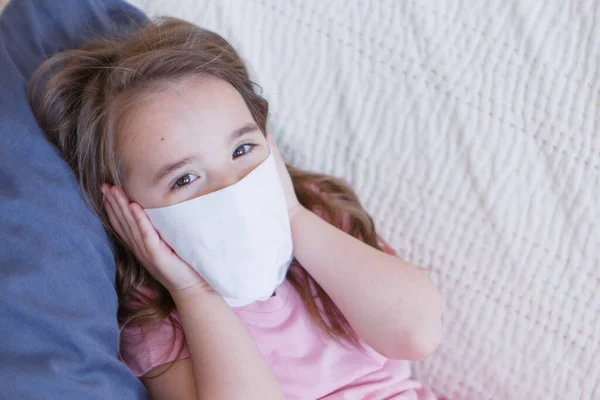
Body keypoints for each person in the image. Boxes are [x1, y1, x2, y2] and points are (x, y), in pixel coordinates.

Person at [29, 17, 443, 400]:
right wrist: (193, 293)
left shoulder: (316, 211)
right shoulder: (157, 317)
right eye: (184, 179)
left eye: (243, 149)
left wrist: (294, 215)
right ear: (126, 210)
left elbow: (417, 333)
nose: (233, 187)